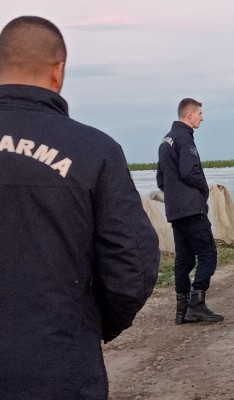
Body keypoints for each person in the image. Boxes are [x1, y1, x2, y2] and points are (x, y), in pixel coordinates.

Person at [0, 16, 160, 399]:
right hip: (58, 367)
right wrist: (91, 324)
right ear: (58, 71)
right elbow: (132, 266)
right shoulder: (94, 151)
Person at [157, 98, 224, 324]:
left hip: (175, 210)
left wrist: (175, 197)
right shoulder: (185, 139)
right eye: (200, 113)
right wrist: (202, 190)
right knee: (208, 254)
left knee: (184, 259)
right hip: (191, 209)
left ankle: (181, 310)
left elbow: (160, 179)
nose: (202, 117)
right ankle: (197, 304)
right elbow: (188, 171)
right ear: (189, 115)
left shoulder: (165, 141)